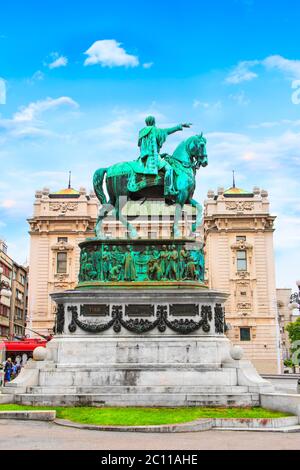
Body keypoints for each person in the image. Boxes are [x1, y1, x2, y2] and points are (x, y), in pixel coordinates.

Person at [135, 116, 192, 196]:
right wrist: (180, 126)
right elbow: (168, 131)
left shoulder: (141, 133)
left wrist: (161, 155)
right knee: (169, 169)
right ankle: (168, 189)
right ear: (153, 122)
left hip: (142, 158)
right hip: (153, 158)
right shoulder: (155, 130)